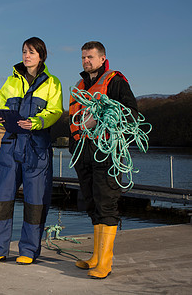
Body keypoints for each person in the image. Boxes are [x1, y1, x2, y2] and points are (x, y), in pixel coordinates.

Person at [0, 37, 63, 265]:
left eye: (31, 52)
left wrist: (37, 122)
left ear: (41, 56)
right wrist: (1, 119)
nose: (26, 55)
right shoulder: (10, 82)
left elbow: (55, 111)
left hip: (36, 148)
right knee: (1, 199)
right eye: (24, 51)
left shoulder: (52, 83)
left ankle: (28, 251)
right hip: (10, 147)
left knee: (35, 202)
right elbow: (1, 107)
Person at [69, 41, 138, 279]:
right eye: (83, 58)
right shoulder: (80, 85)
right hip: (83, 153)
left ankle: (105, 263)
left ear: (102, 58)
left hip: (106, 152)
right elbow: (74, 121)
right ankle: (95, 257)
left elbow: (131, 114)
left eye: (90, 57)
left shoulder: (115, 81)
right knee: (92, 203)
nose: (86, 61)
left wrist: (98, 121)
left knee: (107, 203)